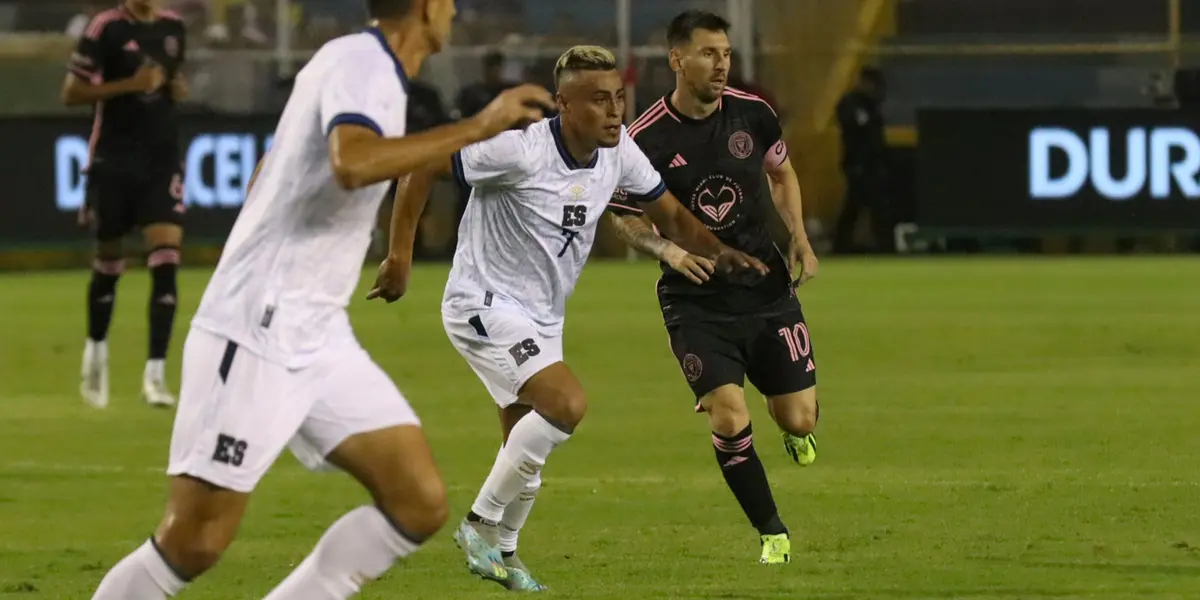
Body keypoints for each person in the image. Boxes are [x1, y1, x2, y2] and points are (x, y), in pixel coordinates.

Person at [87, 0, 554, 598]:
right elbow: (352, 163)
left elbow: (276, 166)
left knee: (416, 501)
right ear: (424, 7)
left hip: (316, 329)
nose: (457, 9)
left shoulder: (371, 68)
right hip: (257, 327)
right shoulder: (362, 62)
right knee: (193, 541)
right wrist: (477, 126)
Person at [370, 44, 768, 591]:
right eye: (598, 100)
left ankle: (505, 554)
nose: (614, 112)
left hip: (542, 318)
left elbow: (669, 214)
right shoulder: (518, 151)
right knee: (566, 405)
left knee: (524, 447)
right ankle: (479, 526)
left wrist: (721, 252)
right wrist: (399, 258)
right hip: (482, 304)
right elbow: (419, 167)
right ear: (563, 104)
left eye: (619, 99)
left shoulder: (619, 150)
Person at [607, 10, 821, 566]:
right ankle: (771, 530)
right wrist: (668, 250)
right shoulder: (644, 138)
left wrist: (798, 236)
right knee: (729, 415)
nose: (721, 64)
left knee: (798, 417)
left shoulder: (754, 115)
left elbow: (782, 174)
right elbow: (623, 217)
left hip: (765, 287)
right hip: (695, 299)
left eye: (725, 54)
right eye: (708, 54)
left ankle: (796, 432)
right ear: (677, 60)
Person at [64, 0, 189, 409]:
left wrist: (175, 88)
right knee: (108, 263)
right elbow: (72, 92)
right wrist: (130, 86)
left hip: (161, 161)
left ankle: (155, 374)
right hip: (113, 162)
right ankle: (96, 350)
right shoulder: (105, 28)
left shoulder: (174, 28)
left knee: (167, 258)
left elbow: (171, 81)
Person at [833, 66, 890, 254]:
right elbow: (854, 126)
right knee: (854, 207)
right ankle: (840, 246)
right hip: (857, 164)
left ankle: (885, 246)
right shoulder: (851, 103)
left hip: (873, 164)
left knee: (875, 207)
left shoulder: (872, 105)